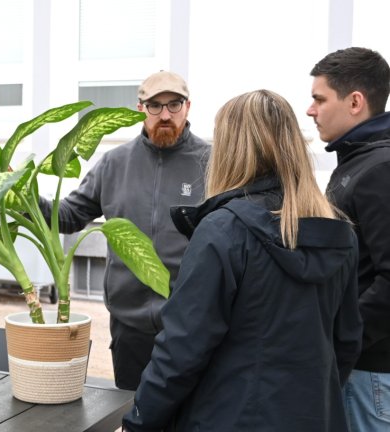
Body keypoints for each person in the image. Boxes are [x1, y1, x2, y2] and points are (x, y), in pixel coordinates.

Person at [122, 89, 362, 431]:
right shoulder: (338, 232)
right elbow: (347, 341)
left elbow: (181, 350)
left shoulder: (224, 230)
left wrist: (138, 422)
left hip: (229, 418)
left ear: (230, 150)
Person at [39, 71, 209, 390]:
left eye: (174, 105)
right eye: (155, 106)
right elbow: (71, 215)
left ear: (188, 107)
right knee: (133, 413)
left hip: (190, 324)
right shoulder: (114, 163)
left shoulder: (212, 162)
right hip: (130, 325)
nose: (165, 115)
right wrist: (25, 197)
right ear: (140, 108)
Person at [307, 46, 390, 431]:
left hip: (370, 372)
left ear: (355, 101)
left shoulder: (379, 169)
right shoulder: (359, 162)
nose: (311, 110)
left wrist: (345, 342)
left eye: (319, 99)